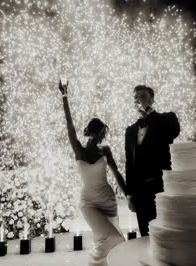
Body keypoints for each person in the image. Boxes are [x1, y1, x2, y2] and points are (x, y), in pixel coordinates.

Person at [59, 80, 126, 266]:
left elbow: (117, 174)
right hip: (88, 203)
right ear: (92, 132)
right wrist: (65, 96)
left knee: (108, 244)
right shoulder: (78, 150)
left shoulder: (105, 150)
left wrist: (128, 194)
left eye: (103, 135)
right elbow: (69, 125)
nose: (102, 137)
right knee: (114, 239)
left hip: (109, 202)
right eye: (100, 134)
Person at [125, 85, 180, 237]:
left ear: (152, 99)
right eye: (135, 98)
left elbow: (173, 132)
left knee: (165, 232)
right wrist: (130, 195)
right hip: (140, 192)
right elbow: (129, 163)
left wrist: (149, 113)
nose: (138, 100)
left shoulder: (166, 119)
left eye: (142, 96)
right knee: (145, 234)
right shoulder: (130, 131)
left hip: (162, 187)